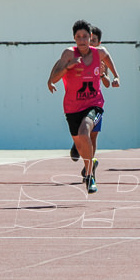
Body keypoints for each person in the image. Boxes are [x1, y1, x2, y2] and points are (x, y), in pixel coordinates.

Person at [48, 19, 118, 193]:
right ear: (74, 38)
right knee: (81, 144)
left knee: (85, 130)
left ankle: (89, 176)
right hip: (72, 107)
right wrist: (67, 69)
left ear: (90, 37)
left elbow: (107, 58)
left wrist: (116, 76)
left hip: (94, 104)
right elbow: (56, 75)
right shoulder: (68, 54)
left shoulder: (99, 52)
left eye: (85, 36)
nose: (82, 40)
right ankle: (88, 160)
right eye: (78, 37)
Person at [69, 25, 121, 163]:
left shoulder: (100, 57)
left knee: (93, 136)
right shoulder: (77, 56)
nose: (90, 43)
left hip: (94, 103)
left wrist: (105, 75)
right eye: (88, 39)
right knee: (82, 133)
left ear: (99, 43)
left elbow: (107, 83)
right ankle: (78, 145)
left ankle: (91, 167)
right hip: (77, 102)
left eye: (93, 40)